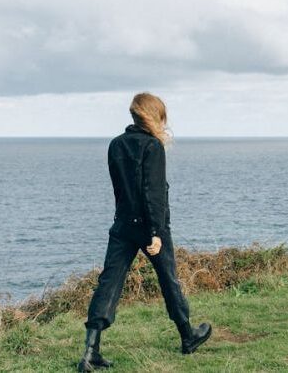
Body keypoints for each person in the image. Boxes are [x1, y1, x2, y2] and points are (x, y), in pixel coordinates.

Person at [77, 92, 212, 371]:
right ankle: (188, 337)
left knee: (109, 283)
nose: (164, 123)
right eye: (162, 116)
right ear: (153, 115)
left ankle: (90, 353)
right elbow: (152, 193)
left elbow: (121, 190)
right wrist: (155, 233)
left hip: (123, 225)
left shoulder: (115, 145)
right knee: (168, 280)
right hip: (151, 227)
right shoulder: (152, 147)